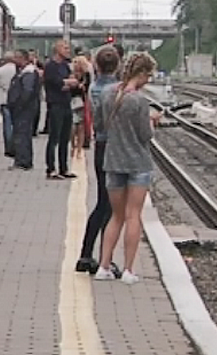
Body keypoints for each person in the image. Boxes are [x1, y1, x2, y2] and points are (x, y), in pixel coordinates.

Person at [96, 53, 161, 284]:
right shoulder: (140, 101)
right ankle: (128, 270)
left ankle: (103, 266)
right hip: (138, 164)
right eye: (148, 75)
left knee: (116, 216)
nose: (148, 80)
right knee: (134, 215)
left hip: (113, 161)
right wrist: (153, 122)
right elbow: (145, 135)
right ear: (141, 73)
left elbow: (100, 124)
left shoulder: (107, 94)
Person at [76, 46, 121, 274]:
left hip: (99, 146)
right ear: (118, 65)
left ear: (97, 65)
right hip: (113, 147)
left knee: (103, 202)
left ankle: (86, 254)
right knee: (109, 206)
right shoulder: (115, 90)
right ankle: (103, 258)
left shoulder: (94, 86)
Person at [44, 40, 79, 180]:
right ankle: (51, 169)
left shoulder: (65, 65)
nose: (68, 50)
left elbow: (72, 82)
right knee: (54, 137)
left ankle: (64, 168)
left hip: (66, 103)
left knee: (65, 138)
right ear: (57, 49)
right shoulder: (51, 66)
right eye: (65, 48)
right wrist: (66, 83)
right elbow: (55, 83)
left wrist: (67, 83)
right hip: (55, 105)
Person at [9, 50, 40, 171]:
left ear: (23, 58)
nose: (14, 60)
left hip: (24, 110)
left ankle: (23, 161)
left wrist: (19, 104)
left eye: (17, 57)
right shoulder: (22, 72)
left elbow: (27, 91)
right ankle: (23, 159)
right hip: (24, 109)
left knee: (22, 134)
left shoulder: (28, 73)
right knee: (22, 133)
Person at [0, 52, 17, 156]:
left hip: (4, 100)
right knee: (16, 124)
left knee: (7, 124)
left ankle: (8, 148)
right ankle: (16, 146)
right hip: (16, 100)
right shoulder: (18, 69)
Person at [70, 56, 91, 161]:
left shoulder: (86, 75)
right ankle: (73, 145)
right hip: (72, 100)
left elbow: (88, 87)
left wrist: (83, 86)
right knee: (73, 126)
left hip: (82, 101)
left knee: (81, 126)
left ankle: (79, 148)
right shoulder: (71, 74)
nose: (76, 65)